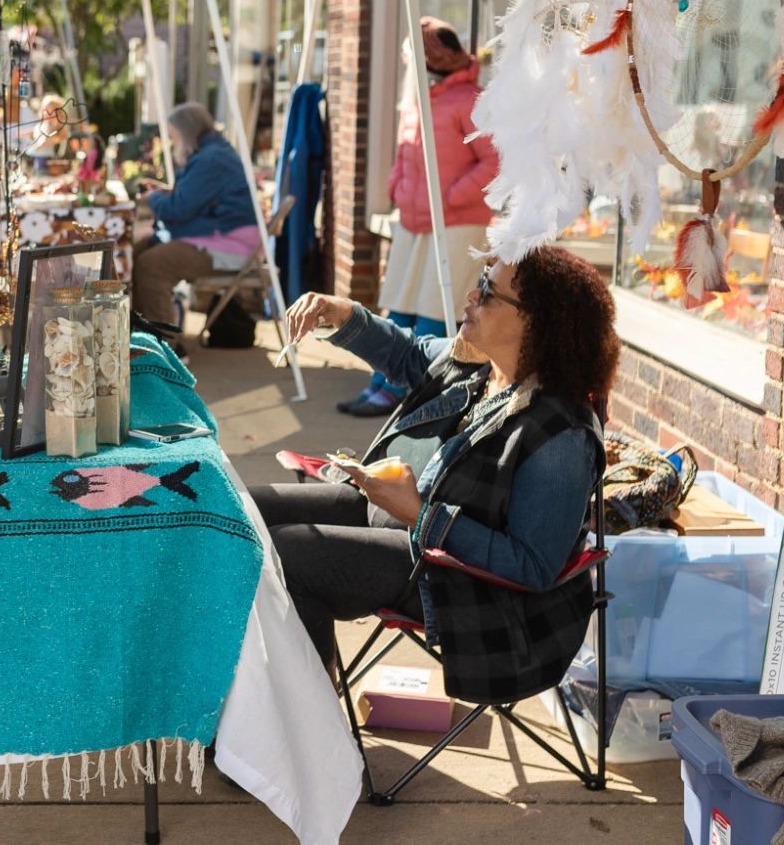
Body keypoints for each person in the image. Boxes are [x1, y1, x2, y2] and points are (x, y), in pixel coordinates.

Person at [256, 247, 615, 705]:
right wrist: (343, 315)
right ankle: (292, 699)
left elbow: (533, 568)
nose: (471, 295)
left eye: (487, 292)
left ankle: (309, 724)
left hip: (463, 587)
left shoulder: (562, 436)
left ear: (535, 323)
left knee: (293, 552)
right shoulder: (482, 365)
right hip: (402, 525)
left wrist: (422, 514)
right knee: (248, 511)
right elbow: (409, 355)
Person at [342, 17, 496, 418]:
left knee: (431, 306)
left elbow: (494, 162)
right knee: (401, 304)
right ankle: (382, 381)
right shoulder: (421, 101)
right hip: (415, 220)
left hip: (455, 223)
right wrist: (397, 187)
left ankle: (405, 388)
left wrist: (449, 198)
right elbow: (405, 154)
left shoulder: (470, 100)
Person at [131, 102, 258, 341]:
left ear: (186, 132)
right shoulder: (213, 154)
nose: (172, 142)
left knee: (152, 264)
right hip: (221, 236)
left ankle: (164, 347)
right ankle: (143, 335)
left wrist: (154, 197)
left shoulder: (211, 160)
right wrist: (165, 193)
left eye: (174, 136)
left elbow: (177, 210)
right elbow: (191, 200)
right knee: (136, 251)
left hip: (229, 244)